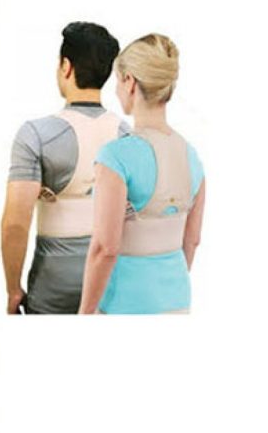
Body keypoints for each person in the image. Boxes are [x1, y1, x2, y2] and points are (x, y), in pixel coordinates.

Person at [1, 22, 126, 314]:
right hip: (111, 284)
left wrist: (13, 289)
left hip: (52, 289)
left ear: (66, 67)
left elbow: (15, 224)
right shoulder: (127, 136)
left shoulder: (37, 135)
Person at [79, 34, 205, 314]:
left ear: (130, 82)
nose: (116, 91)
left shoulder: (115, 156)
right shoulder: (192, 156)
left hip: (124, 305)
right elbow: (192, 239)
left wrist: (84, 314)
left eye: (117, 81)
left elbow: (105, 248)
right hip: (178, 303)